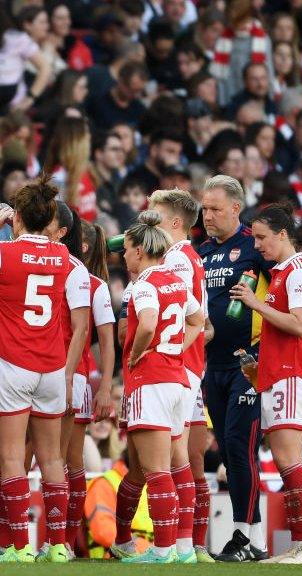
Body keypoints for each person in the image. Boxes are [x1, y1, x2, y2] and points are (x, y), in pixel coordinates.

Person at [0, 176, 90, 563]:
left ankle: (18, 547)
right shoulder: (68, 260)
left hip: (12, 364)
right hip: (52, 367)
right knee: (51, 460)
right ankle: (59, 546)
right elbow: (80, 321)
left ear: (17, 218)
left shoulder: (2, 252)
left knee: (10, 457)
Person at [230, 203, 302, 564]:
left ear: (283, 234)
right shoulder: (282, 273)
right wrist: (259, 369)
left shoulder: (299, 273)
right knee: (287, 462)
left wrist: (254, 303)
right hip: (280, 374)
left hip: (295, 374)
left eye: (263, 238)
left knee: (289, 460)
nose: (258, 246)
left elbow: (300, 324)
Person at [111, 210, 204, 564]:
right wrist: (177, 347)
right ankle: (182, 548)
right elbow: (198, 320)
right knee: (177, 465)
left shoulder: (145, 283)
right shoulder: (176, 282)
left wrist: (137, 353)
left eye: (127, 250)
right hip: (178, 381)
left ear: (138, 250)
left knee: (156, 471)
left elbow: (147, 323)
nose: (125, 256)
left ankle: (163, 551)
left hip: (151, 381)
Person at [196, 175, 268, 561]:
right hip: (211, 367)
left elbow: (283, 293)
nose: (207, 216)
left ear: (236, 208)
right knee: (228, 452)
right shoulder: (200, 251)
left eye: (215, 209)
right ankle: (253, 539)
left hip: (247, 365)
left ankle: (245, 537)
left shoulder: (255, 248)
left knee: (241, 449)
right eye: (204, 208)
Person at [146, 189, 214, 562]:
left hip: (178, 367)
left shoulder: (177, 261)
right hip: (186, 366)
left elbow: (191, 319)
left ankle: (175, 547)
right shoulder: (186, 257)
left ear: (174, 223)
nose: (146, 219)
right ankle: (182, 546)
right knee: (176, 457)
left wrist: (161, 352)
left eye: (153, 214)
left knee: (174, 457)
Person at [64, 220, 115, 555]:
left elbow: (108, 341)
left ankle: (66, 541)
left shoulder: (95, 285)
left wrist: (105, 387)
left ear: (82, 245)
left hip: (76, 377)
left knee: (69, 460)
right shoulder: (54, 272)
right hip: (44, 374)